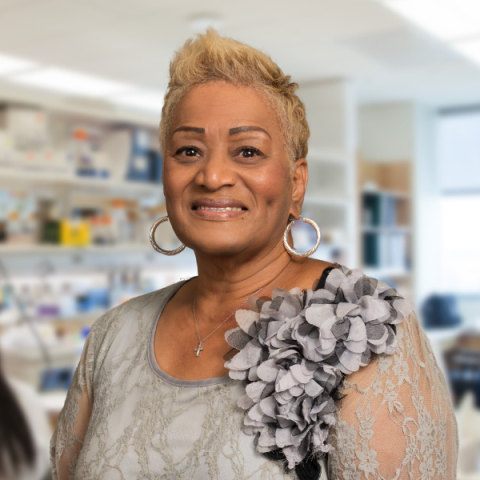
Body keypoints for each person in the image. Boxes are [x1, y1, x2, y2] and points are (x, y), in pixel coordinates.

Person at [50, 29, 458, 479]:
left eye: (247, 151)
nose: (213, 174)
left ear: (296, 183)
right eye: (189, 150)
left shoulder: (364, 329)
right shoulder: (113, 336)